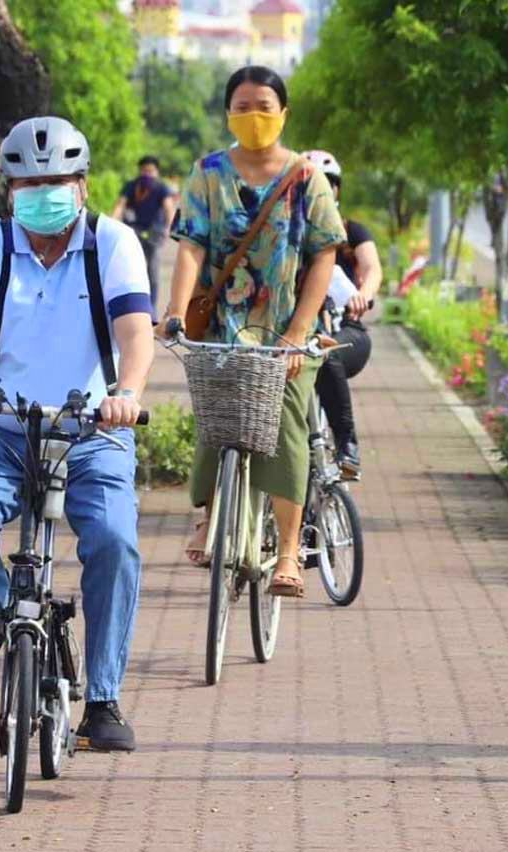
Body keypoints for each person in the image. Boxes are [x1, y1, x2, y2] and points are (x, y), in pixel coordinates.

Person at [0, 116, 154, 752]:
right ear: (10, 189)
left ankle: (104, 700)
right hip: (0, 427)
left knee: (113, 540)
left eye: (57, 179)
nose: (44, 190)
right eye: (30, 181)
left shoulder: (114, 245)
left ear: (82, 185)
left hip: (93, 431)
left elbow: (136, 334)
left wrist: (126, 394)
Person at [157, 66, 346, 598]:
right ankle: (211, 513)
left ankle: (288, 553)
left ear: (283, 113)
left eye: (264, 106)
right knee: (216, 421)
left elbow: (323, 255)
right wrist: (175, 310)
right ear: (227, 114)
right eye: (242, 107)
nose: (253, 117)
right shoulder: (208, 173)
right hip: (221, 329)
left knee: (285, 429)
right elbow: (190, 245)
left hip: (285, 332)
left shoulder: (305, 177)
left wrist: (298, 332)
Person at [303, 150, 382, 477]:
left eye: (327, 184)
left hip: (344, 331)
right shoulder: (287, 234)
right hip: (296, 337)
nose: (320, 191)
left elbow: (372, 268)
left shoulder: (353, 231)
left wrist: (363, 295)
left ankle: (347, 443)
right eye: (310, 185)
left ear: (336, 190)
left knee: (326, 355)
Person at [112, 155, 176, 312]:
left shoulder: (161, 188)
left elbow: (169, 208)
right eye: (144, 170)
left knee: (152, 271)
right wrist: (112, 223)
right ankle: (130, 306)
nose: (147, 174)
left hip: (154, 234)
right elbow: (120, 205)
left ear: (157, 172)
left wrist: (169, 227)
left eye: (151, 171)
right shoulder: (132, 186)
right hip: (133, 232)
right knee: (128, 268)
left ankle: (151, 308)